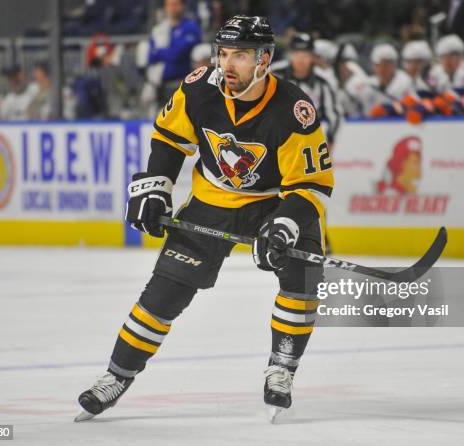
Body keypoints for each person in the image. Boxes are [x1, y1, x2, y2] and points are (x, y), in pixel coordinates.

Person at [75, 15, 334, 422]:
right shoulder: (199, 88)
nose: (227, 65)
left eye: (241, 56)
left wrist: (285, 225)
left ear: (264, 59)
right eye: (224, 54)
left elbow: (312, 185)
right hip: (213, 199)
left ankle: (281, 368)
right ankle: (116, 375)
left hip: (273, 202)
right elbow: (169, 136)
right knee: (164, 293)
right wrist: (157, 185)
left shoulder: (293, 109)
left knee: (302, 276)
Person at [271, 33, 341, 147]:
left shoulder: (324, 81)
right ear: (289, 54)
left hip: (311, 138)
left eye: (305, 54)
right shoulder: (274, 74)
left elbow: (334, 115)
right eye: (296, 53)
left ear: (313, 56)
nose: (301, 59)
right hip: (275, 136)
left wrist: (330, 141)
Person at [147, 0, 202, 107]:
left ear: (183, 6)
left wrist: (160, 53)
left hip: (184, 84)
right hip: (160, 85)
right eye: (169, 4)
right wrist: (169, 52)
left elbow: (176, 55)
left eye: (176, 4)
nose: (172, 8)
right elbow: (150, 57)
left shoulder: (191, 28)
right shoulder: (158, 29)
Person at [344, 43, 413, 118]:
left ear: (394, 64)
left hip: (399, 125)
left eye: (386, 64)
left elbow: (411, 106)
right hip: (369, 126)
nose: (381, 69)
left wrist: (388, 110)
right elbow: (351, 105)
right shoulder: (367, 83)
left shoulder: (405, 81)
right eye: (377, 65)